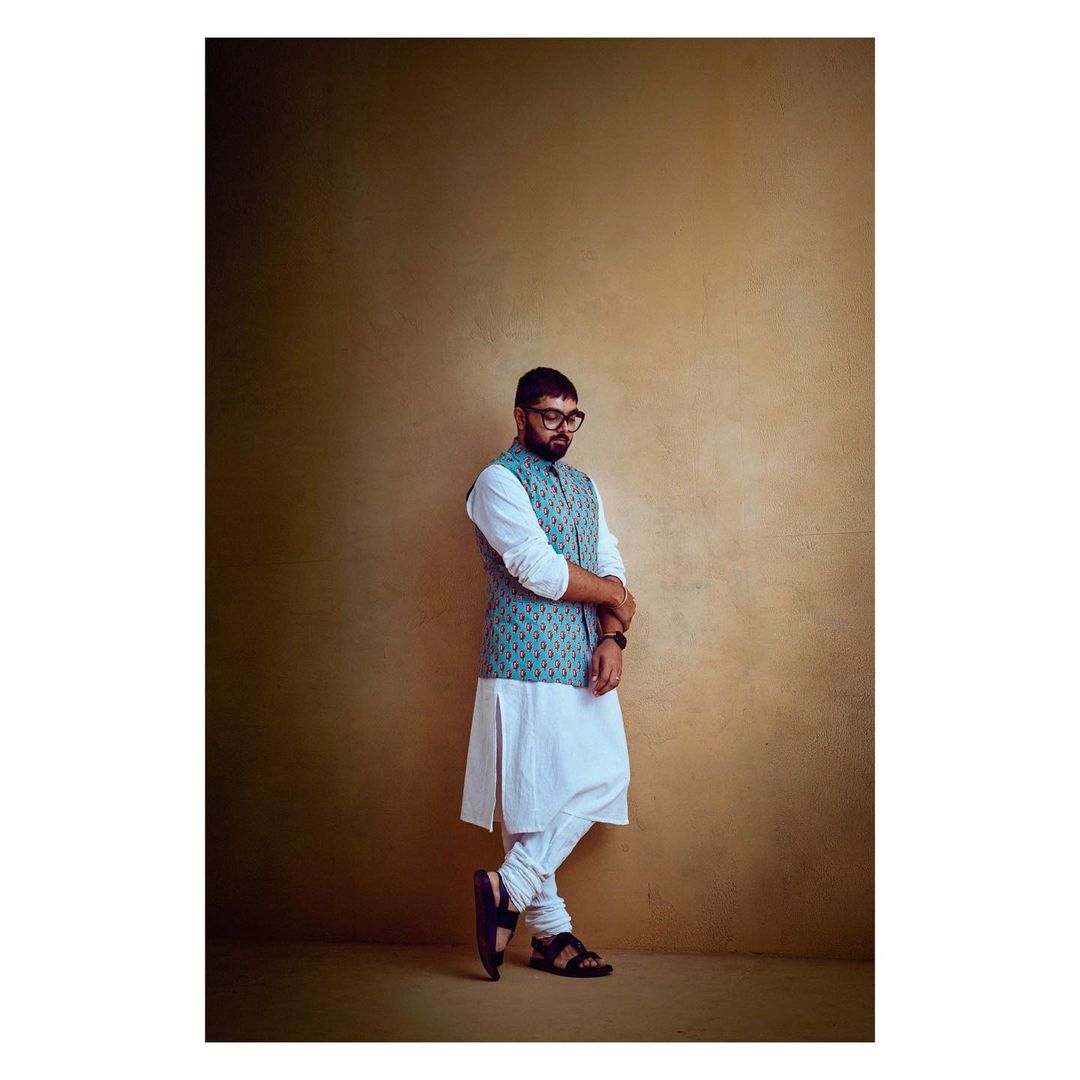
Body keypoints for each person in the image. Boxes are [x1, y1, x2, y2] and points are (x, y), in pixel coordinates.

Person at [461, 366, 637, 980]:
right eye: (550, 416)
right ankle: (550, 934)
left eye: (571, 417)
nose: (563, 428)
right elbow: (539, 569)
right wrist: (614, 596)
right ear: (521, 416)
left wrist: (613, 634)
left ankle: (508, 888)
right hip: (522, 660)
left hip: (583, 658)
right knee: (531, 804)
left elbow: (608, 560)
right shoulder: (497, 482)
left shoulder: (584, 486)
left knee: (603, 776)